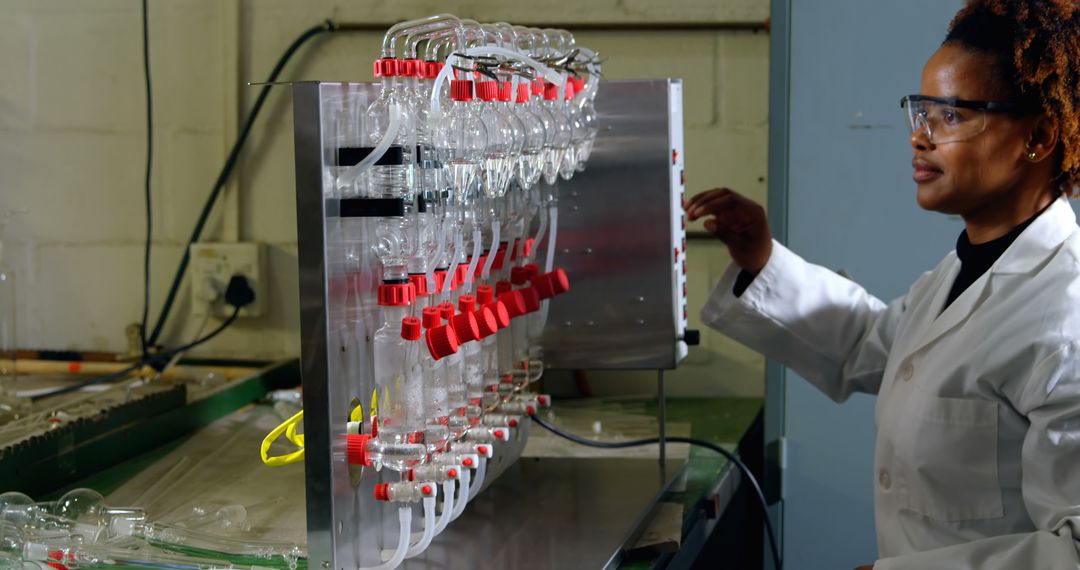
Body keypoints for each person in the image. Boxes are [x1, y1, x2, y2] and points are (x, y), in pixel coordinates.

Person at [687, 1, 1080, 568]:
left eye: (952, 115)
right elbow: (872, 344)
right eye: (920, 111)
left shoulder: (1064, 320)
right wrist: (762, 259)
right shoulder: (962, 273)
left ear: (1039, 136)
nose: (920, 137)